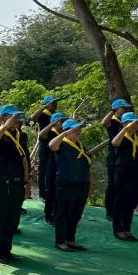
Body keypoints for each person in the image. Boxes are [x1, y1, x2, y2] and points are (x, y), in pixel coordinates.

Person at [0, 104, 31, 264]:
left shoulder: (20, 135)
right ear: (3, 117)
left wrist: (27, 182)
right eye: (13, 116)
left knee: (13, 219)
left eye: (18, 116)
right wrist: (4, 127)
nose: (17, 119)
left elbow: (24, 159)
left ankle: (6, 250)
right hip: (2, 182)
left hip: (17, 182)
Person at [48, 119, 91, 251]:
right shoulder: (61, 143)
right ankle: (60, 241)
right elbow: (51, 145)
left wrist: (89, 183)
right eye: (75, 129)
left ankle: (70, 239)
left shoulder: (80, 145)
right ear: (67, 131)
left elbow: (86, 165)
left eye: (79, 129)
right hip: (66, 182)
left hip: (81, 183)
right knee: (63, 212)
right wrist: (64, 134)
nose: (78, 131)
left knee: (76, 212)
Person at [110, 112, 138, 242]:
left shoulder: (137, 138)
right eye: (134, 123)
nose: (136, 125)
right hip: (123, 172)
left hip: (136, 172)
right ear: (125, 123)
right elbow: (114, 143)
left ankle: (126, 228)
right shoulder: (121, 136)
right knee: (120, 200)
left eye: (137, 123)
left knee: (131, 202)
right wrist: (125, 129)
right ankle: (117, 229)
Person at [101, 98, 133, 221]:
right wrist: (112, 111)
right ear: (116, 109)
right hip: (113, 156)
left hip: (124, 157)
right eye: (123, 108)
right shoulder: (113, 121)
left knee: (122, 184)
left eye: (126, 108)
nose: (125, 110)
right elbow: (104, 123)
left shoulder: (125, 122)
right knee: (112, 184)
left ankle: (119, 210)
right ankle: (109, 212)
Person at [37, 112, 66, 225]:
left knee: (60, 191)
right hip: (50, 166)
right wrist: (52, 124)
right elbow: (41, 135)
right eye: (60, 121)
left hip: (61, 166)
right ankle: (48, 215)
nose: (62, 123)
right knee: (50, 191)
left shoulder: (63, 134)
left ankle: (58, 213)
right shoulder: (50, 133)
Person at [31, 95, 59, 202]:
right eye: (52, 103)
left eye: (55, 103)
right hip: (45, 144)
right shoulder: (43, 114)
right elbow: (33, 118)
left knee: (53, 169)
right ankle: (42, 194)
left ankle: (51, 191)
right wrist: (44, 107)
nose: (55, 105)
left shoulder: (56, 115)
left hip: (55, 144)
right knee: (43, 169)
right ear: (47, 104)